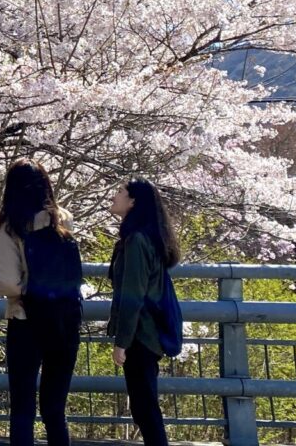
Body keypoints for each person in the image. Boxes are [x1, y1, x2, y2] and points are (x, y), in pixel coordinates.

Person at [0, 159, 82, 446]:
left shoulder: (11, 225)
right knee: (55, 409)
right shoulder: (63, 218)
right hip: (65, 319)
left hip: (26, 321)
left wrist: (25, 292)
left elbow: (5, 281)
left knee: (22, 407)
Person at [108, 177, 182, 446]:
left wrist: (121, 342)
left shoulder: (137, 240)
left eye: (119, 191)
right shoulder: (144, 237)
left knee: (144, 407)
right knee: (144, 405)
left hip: (142, 335)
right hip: (147, 334)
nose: (113, 195)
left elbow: (133, 296)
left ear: (133, 201)